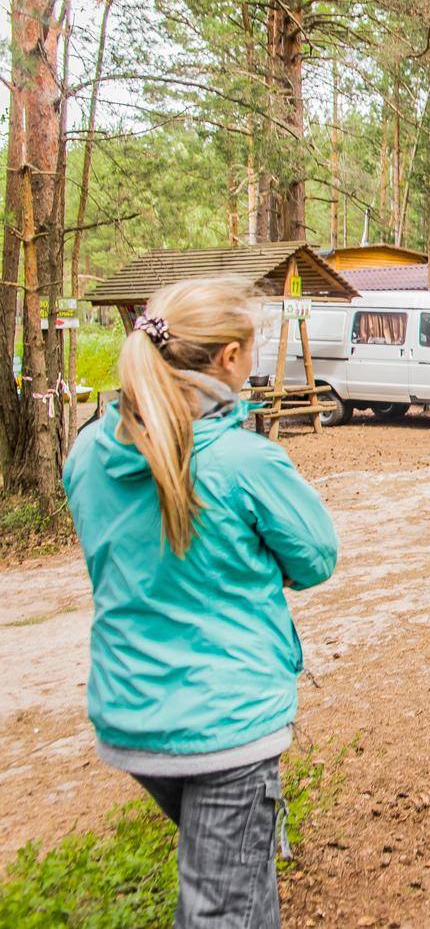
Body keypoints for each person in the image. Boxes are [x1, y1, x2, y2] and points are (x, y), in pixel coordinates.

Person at [63, 276, 339, 929]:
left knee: (240, 886)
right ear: (230, 359)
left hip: (131, 716)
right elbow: (316, 556)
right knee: (224, 910)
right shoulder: (244, 462)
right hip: (226, 726)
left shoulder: (86, 454)